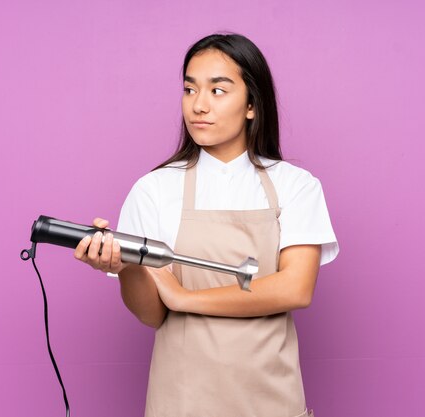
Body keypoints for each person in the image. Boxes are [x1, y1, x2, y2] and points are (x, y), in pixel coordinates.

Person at [74, 33, 339, 417]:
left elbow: (295, 288)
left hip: (271, 396)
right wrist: (127, 265)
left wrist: (186, 299)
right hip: (182, 398)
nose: (198, 105)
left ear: (251, 104)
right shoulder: (155, 189)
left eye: (218, 90)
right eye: (189, 88)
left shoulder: (295, 185)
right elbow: (152, 314)